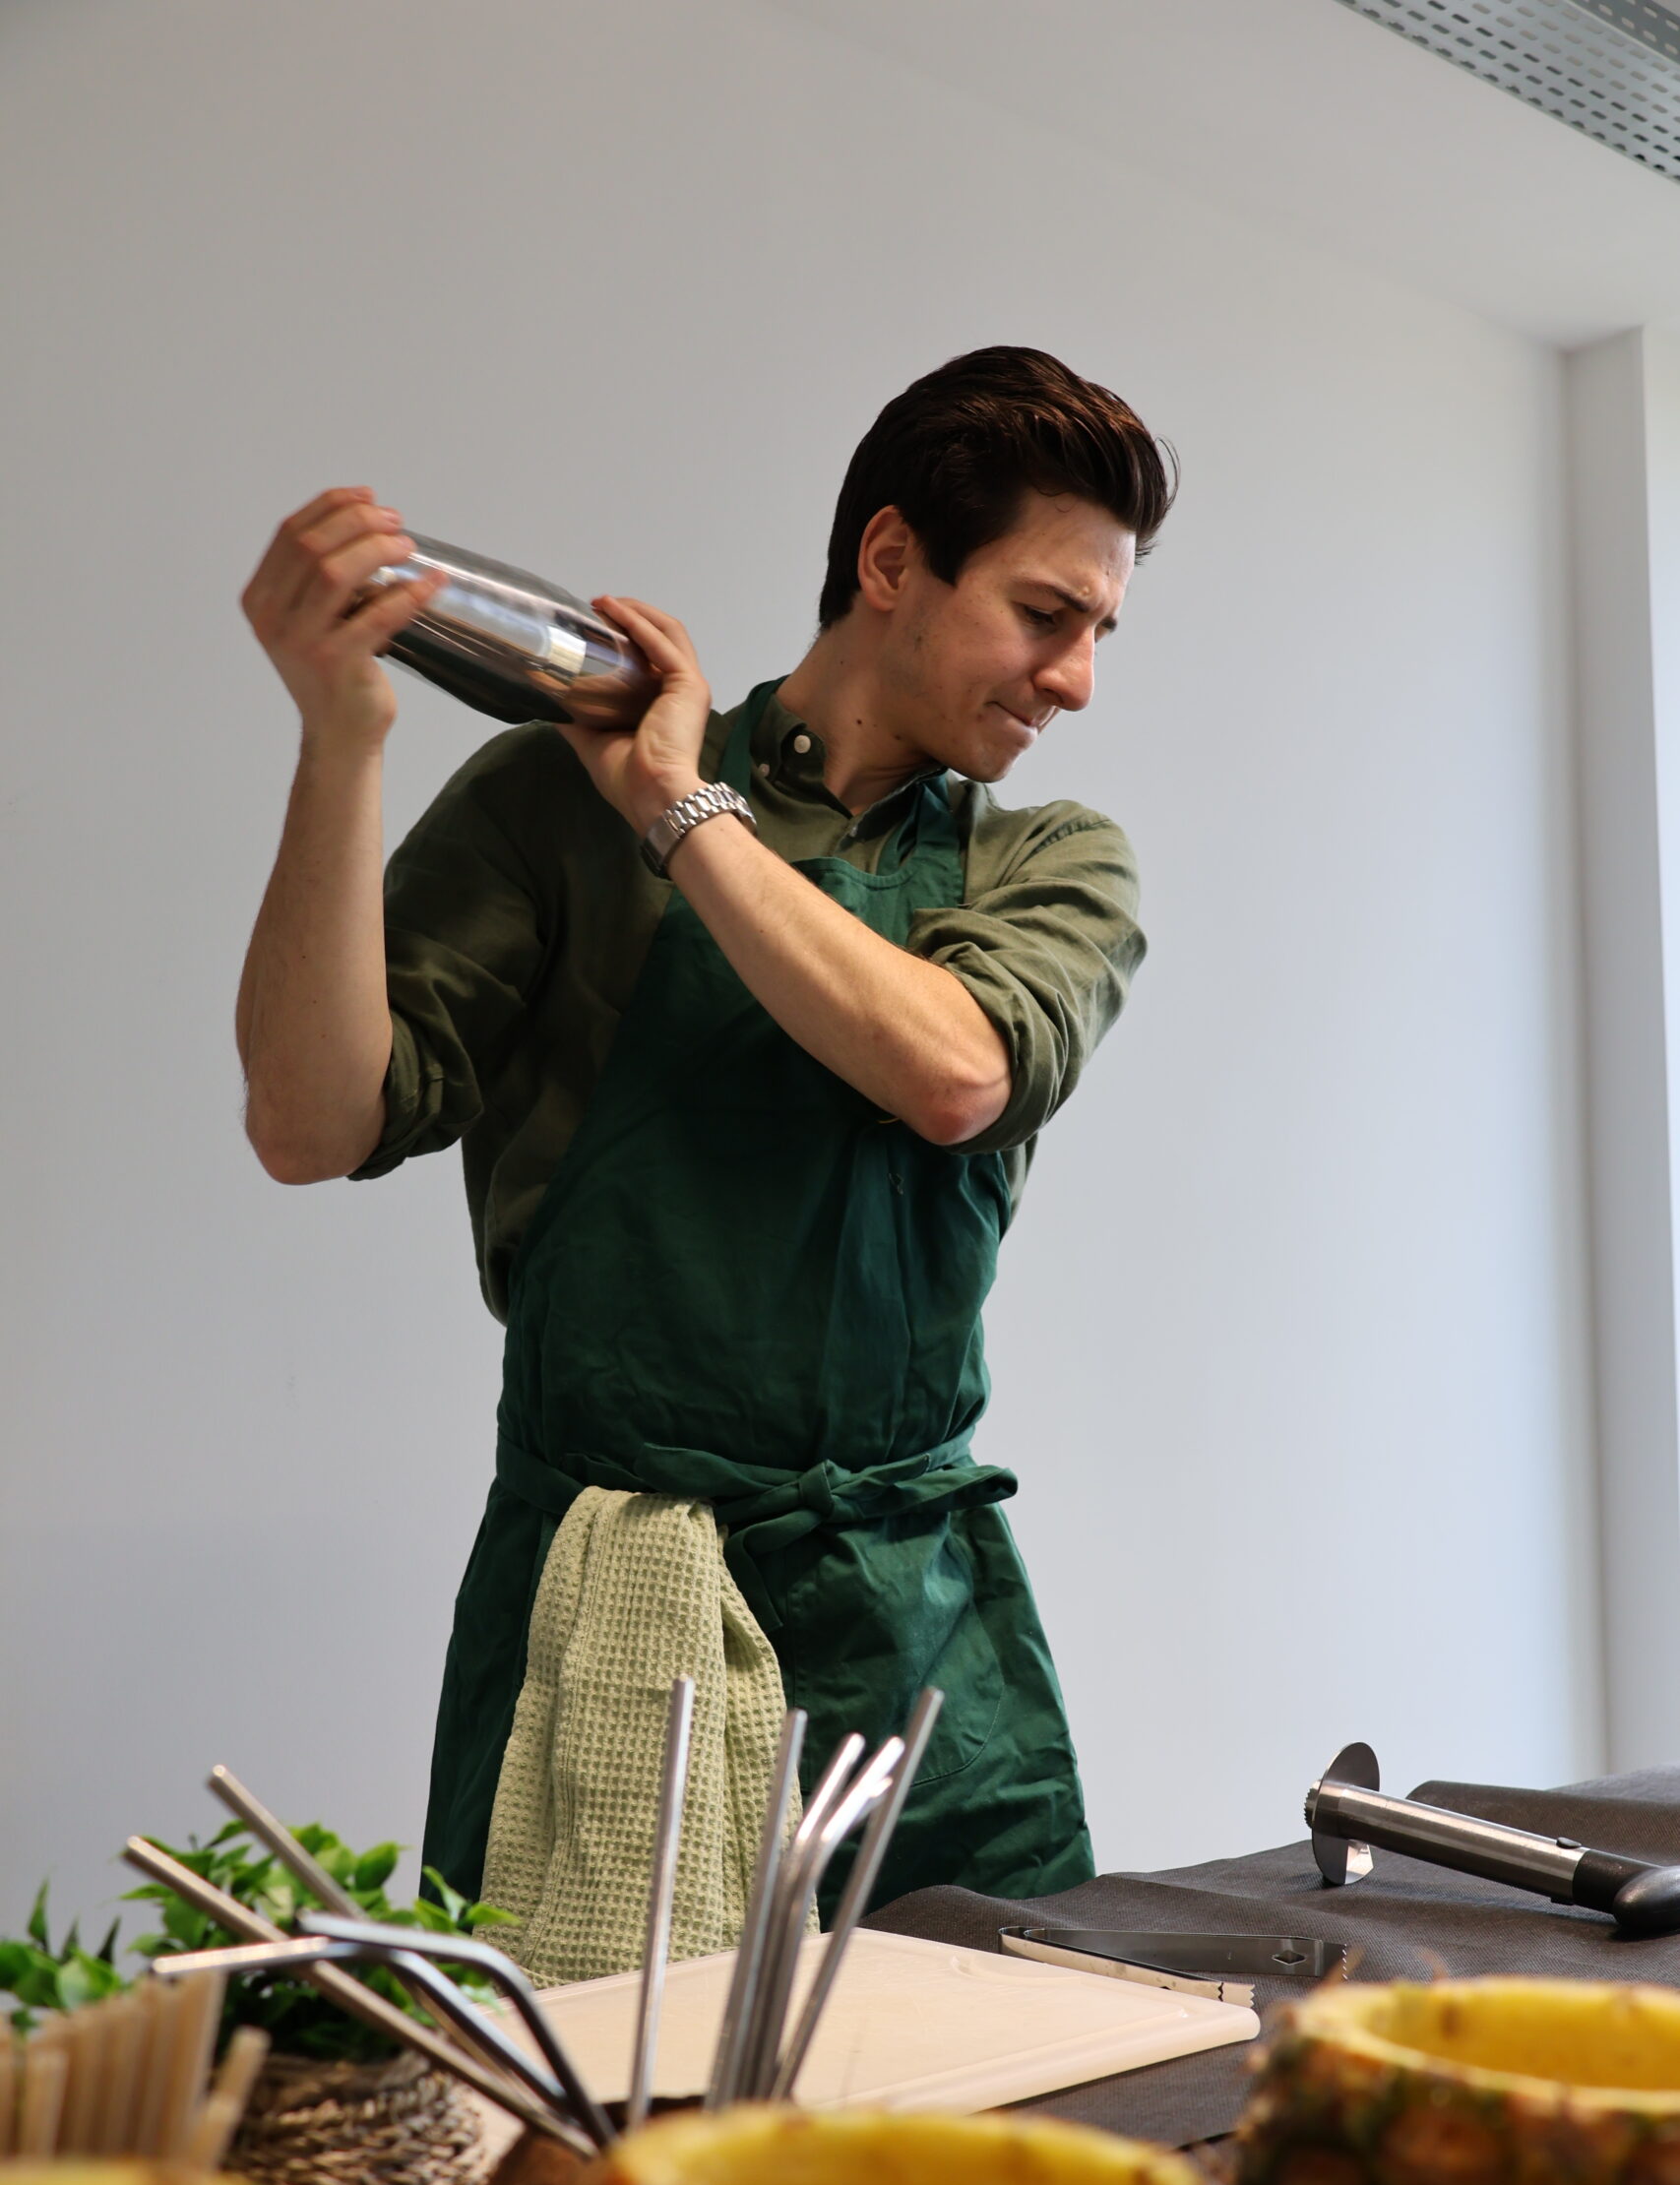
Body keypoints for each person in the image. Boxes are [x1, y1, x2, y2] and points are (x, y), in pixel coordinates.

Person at [237, 344, 1174, 1942]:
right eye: (1045, 614)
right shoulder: (551, 801)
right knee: (590, 2079)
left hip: (913, 1639)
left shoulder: (1050, 862)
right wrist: (342, 742)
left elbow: (954, 1071)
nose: (1075, 678)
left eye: (1099, 632)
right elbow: (308, 1123)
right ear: (893, 560)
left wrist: (680, 811)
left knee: (1000, 2063)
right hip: (609, 1596)